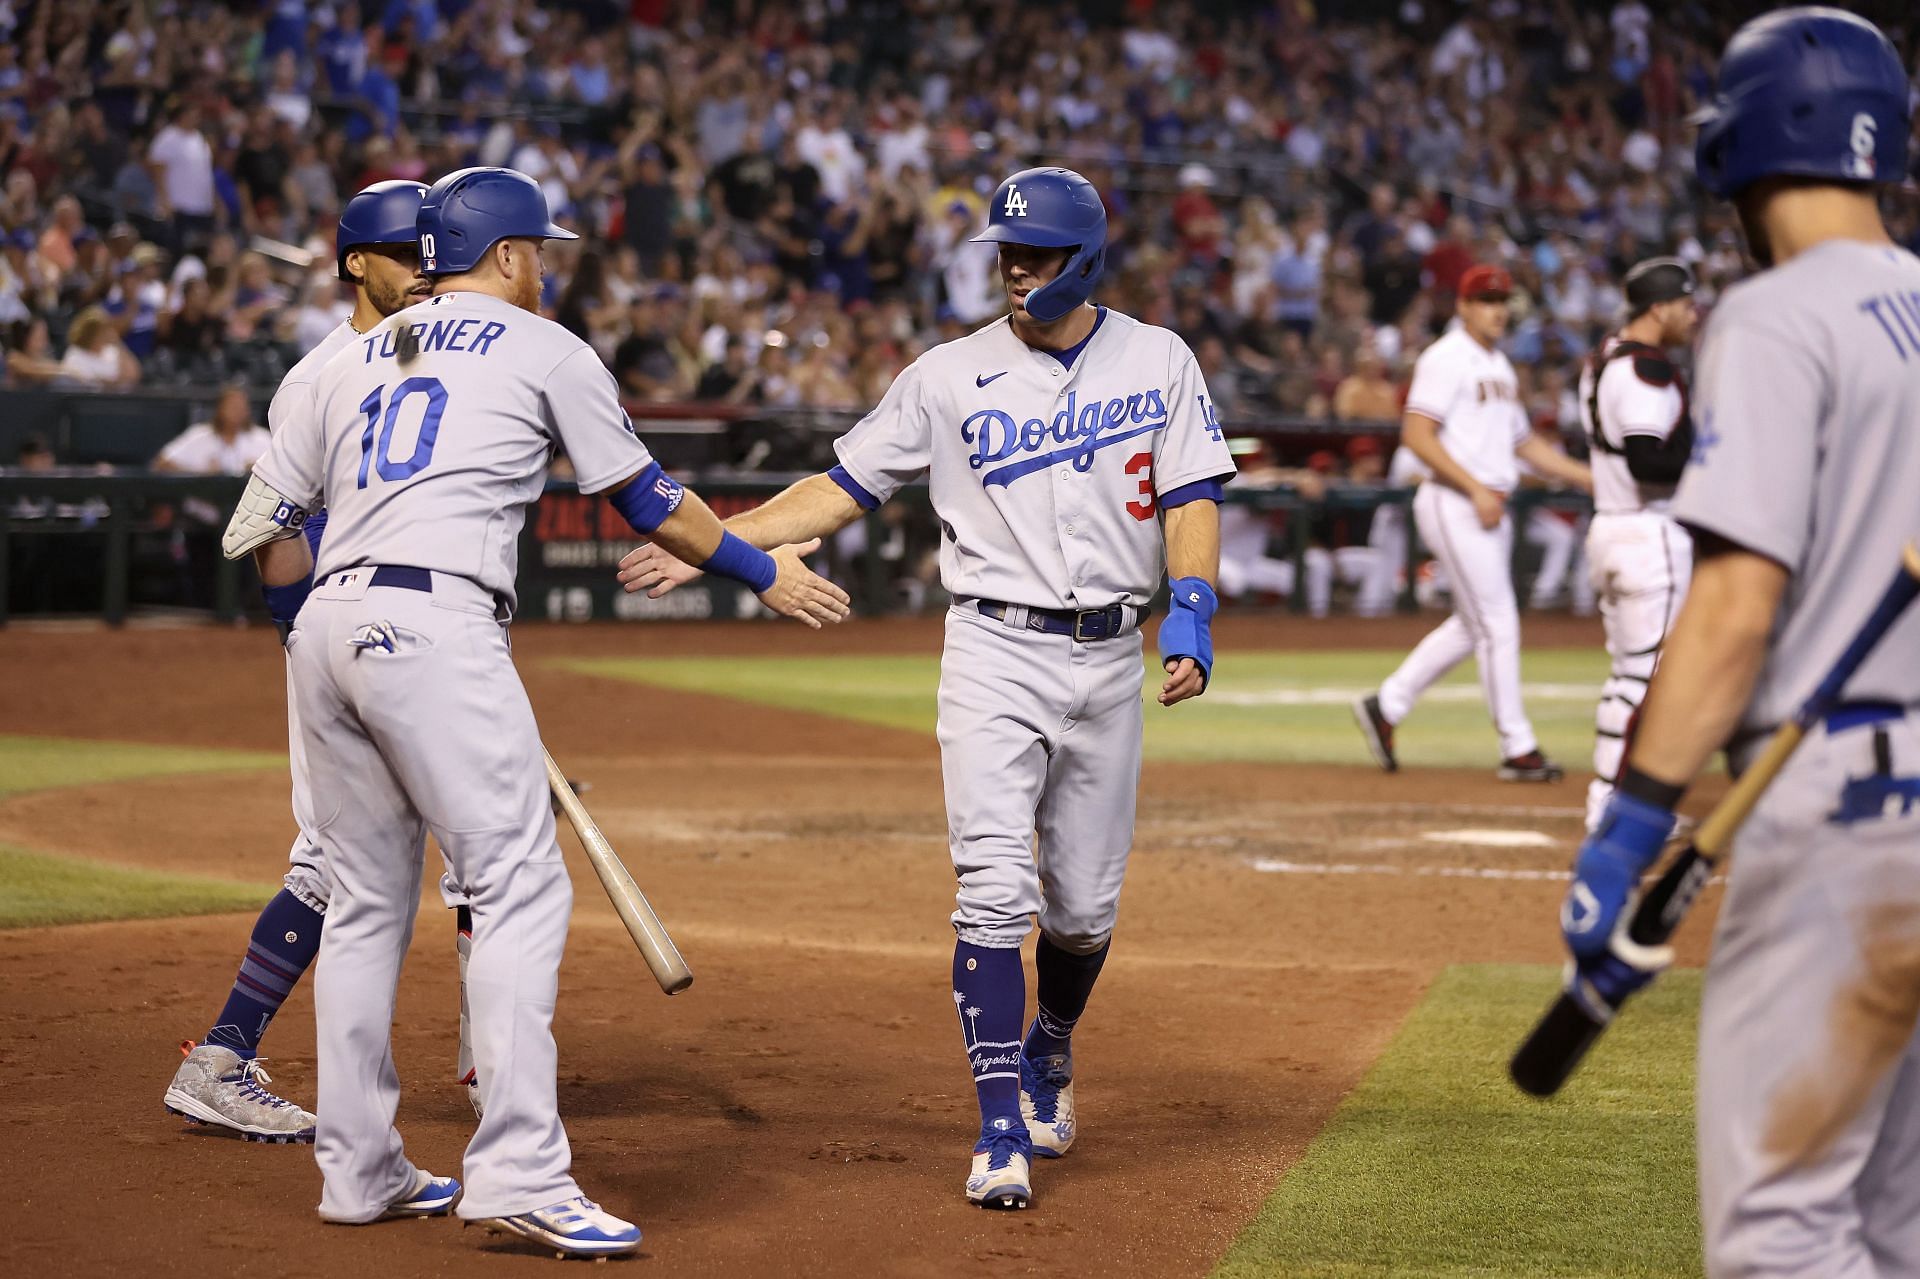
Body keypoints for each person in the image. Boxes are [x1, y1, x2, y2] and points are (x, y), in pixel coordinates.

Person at [225, 166, 847, 1256]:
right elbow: (646, 498)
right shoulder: (546, 347)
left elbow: (268, 518)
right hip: (438, 619)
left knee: (367, 902)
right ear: (508, 254)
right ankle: (518, 1168)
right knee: (518, 882)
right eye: (540, 252)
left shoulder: (347, 357)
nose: (545, 268)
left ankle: (359, 1167)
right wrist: (760, 571)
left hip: (327, 623)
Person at [617, 166, 1233, 1211]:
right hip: (994, 650)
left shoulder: (1159, 359)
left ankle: (1052, 1043)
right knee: (996, 890)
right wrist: (715, 543)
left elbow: (1191, 494)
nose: (1013, 270)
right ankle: (999, 1124)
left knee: (1083, 912)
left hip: (1108, 656)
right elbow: (838, 487)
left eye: (1032, 254)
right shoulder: (948, 373)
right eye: (1005, 253)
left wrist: (1193, 609)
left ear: (1083, 259)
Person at [1556, 12, 1920, 1275]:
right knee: (1894, 1224)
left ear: (1742, 152)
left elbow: (1732, 606)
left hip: (1842, 809)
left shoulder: (1772, 317)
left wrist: (1630, 822)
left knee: (1781, 1231)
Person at [163, 182, 461, 1147]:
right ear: (352, 265)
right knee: (340, 856)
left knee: (436, 846)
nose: (422, 267)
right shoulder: (321, 373)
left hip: (420, 634)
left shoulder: (448, 353)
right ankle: (221, 1059)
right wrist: (308, 636)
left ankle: (482, 1053)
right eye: (400, 252)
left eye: (430, 251)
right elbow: (272, 522)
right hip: (342, 636)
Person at [1351, 265, 1592, 778]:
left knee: (1471, 623)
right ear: (1462, 306)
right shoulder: (1446, 357)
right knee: (1499, 620)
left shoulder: (1500, 365)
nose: (1497, 308)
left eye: (1502, 299)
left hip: (1485, 503)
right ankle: (1517, 746)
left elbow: (1525, 444)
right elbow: (1416, 435)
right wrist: (1474, 487)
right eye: (1485, 299)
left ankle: (1387, 705)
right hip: (1453, 500)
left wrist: (1586, 477)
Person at [1575, 257, 1699, 830]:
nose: (1692, 314)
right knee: (1646, 677)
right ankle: (1612, 806)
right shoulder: (1646, 370)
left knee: (1631, 672)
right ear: (1659, 307)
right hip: (1647, 531)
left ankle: (1608, 799)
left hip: (1612, 527)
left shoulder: (1604, 357)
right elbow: (1650, 460)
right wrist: (1710, 458)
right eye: (1685, 303)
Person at [152, 383, 271, 475]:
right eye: (232, 407)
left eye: (241, 407)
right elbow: (161, 463)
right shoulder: (199, 435)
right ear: (220, 409)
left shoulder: (263, 438)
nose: (237, 412)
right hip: (202, 503)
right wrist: (202, 474)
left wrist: (259, 472)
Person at [57, 304, 140, 388]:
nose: (107, 333)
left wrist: (118, 343)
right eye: (102, 331)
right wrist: (115, 382)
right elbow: (84, 381)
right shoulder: (75, 353)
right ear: (90, 333)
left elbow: (133, 376)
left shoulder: (112, 351)